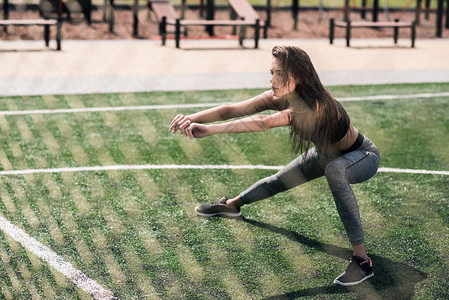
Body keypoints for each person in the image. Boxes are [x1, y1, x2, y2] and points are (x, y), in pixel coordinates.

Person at [168, 46, 380, 287]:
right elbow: (233, 109)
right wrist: (192, 117)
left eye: (279, 74)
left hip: (361, 155)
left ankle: (362, 261)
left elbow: (264, 123)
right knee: (279, 180)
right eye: (271, 72)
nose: (272, 80)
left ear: (298, 77)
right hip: (325, 154)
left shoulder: (316, 105)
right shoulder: (278, 97)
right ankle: (231, 206)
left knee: (334, 171)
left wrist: (209, 130)